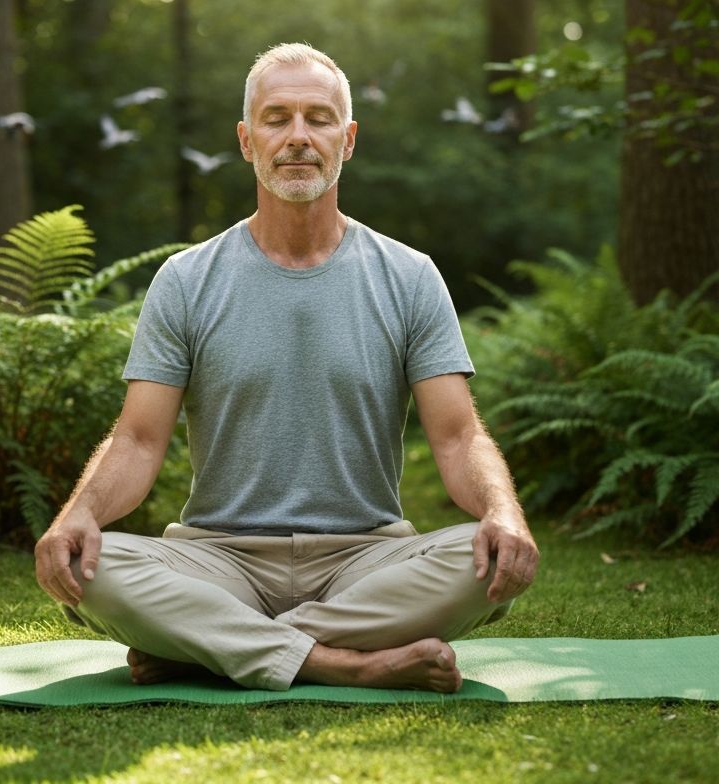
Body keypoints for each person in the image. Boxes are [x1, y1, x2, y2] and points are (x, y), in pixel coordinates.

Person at [35, 43, 539, 693]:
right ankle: (343, 663)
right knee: (95, 566)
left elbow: (457, 435)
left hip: (369, 560)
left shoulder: (410, 276)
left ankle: (205, 648)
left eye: (319, 118)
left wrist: (504, 511)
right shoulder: (186, 280)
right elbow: (137, 438)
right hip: (216, 560)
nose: (298, 137)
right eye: (277, 118)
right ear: (246, 141)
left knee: (479, 559)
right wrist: (78, 512)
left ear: (348, 139)